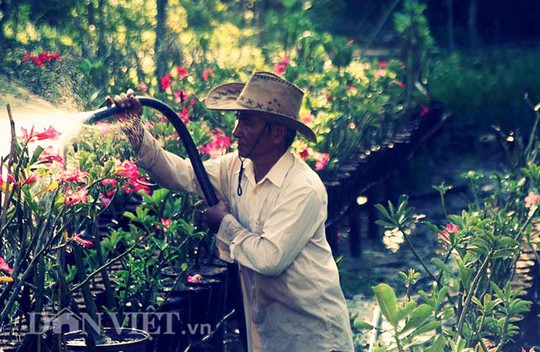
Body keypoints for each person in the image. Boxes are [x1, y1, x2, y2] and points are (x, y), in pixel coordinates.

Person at [111, 71, 354, 351]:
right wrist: (133, 127)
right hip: (267, 331)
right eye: (238, 119)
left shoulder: (302, 188)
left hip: (313, 336)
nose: (236, 131)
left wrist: (224, 223)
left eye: (247, 122)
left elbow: (269, 258)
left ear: (276, 133)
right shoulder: (236, 167)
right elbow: (181, 174)